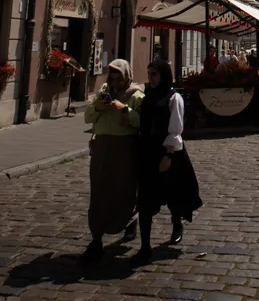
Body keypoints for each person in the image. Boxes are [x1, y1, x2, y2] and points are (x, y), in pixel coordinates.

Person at [132, 59, 202, 264]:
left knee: (172, 196)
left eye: (154, 74)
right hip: (148, 153)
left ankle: (176, 223)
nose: (151, 78)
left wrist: (169, 155)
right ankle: (145, 247)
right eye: (149, 73)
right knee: (145, 201)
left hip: (167, 153)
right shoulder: (147, 97)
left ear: (164, 75)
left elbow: (176, 128)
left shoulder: (174, 98)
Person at [81, 59, 144, 264]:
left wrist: (124, 109)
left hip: (124, 148)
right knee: (99, 191)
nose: (115, 82)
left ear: (126, 77)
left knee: (123, 191)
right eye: (113, 78)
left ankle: (129, 219)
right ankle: (96, 238)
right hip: (101, 148)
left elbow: (141, 121)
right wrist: (99, 107)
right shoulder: (104, 90)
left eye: (119, 78)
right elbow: (88, 117)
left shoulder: (136, 94)